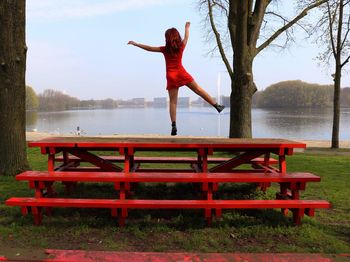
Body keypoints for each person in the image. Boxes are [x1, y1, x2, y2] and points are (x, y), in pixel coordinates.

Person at [128, 22, 225, 136]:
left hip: (171, 75)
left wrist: (136, 44)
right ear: (177, 37)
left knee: (173, 102)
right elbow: (187, 37)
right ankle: (216, 105)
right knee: (198, 89)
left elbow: (149, 48)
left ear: (167, 38)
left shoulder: (164, 49)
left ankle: (174, 125)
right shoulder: (181, 46)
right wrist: (187, 28)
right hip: (181, 73)